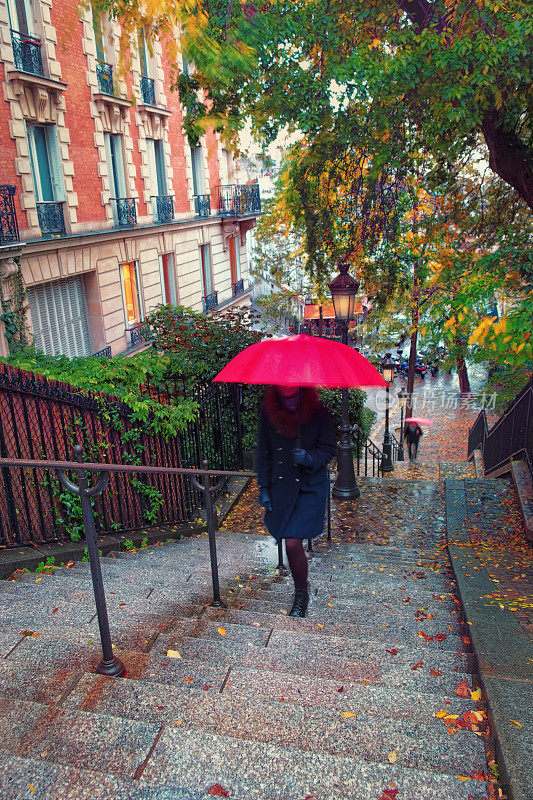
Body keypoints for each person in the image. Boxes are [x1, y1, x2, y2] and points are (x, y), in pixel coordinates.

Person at [256, 385, 337, 617]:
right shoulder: (268, 411)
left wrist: (310, 457)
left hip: (310, 486)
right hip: (282, 485)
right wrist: (263, 487)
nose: (287, 385)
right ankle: (302, 589)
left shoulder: (319, 412)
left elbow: (329, 448)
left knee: (292, 542)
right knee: (288, 539)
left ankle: (301, 594)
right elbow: (264, 452)